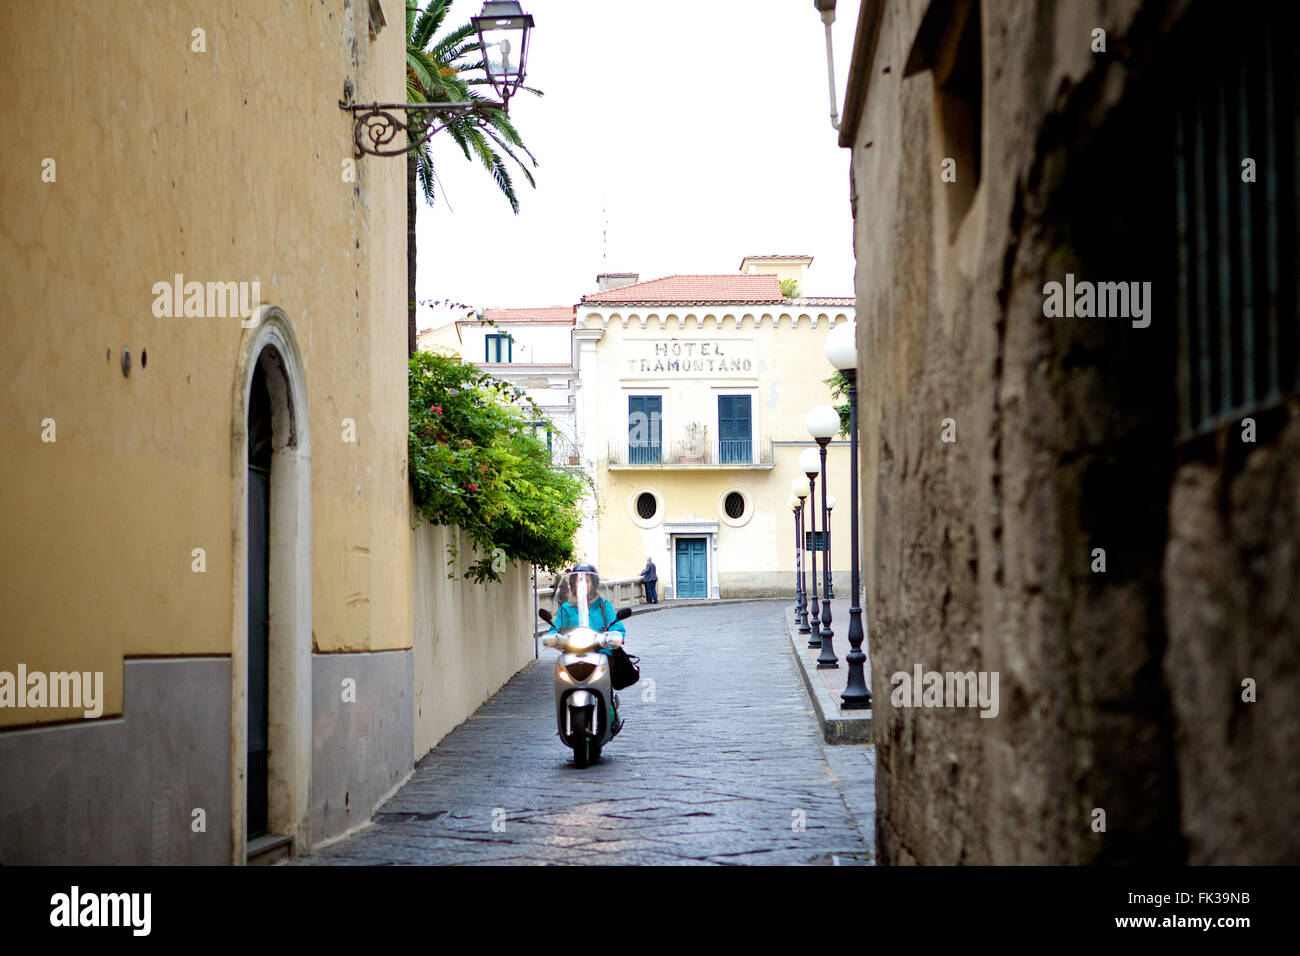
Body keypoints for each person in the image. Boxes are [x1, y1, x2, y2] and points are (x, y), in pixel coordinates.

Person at [549, 563, 626, 733]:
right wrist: (551, 638)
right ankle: (564, 708)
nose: (583, 585)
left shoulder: (604, 606)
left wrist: (614, 637)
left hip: (600, 653)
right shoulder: (566, 608)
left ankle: (610, 708)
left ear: (595, 584)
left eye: (587, 581)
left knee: (607, 674)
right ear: (573, 584)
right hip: (573, 654)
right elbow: (553, 630)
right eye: (578, 581)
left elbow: (618, 628)